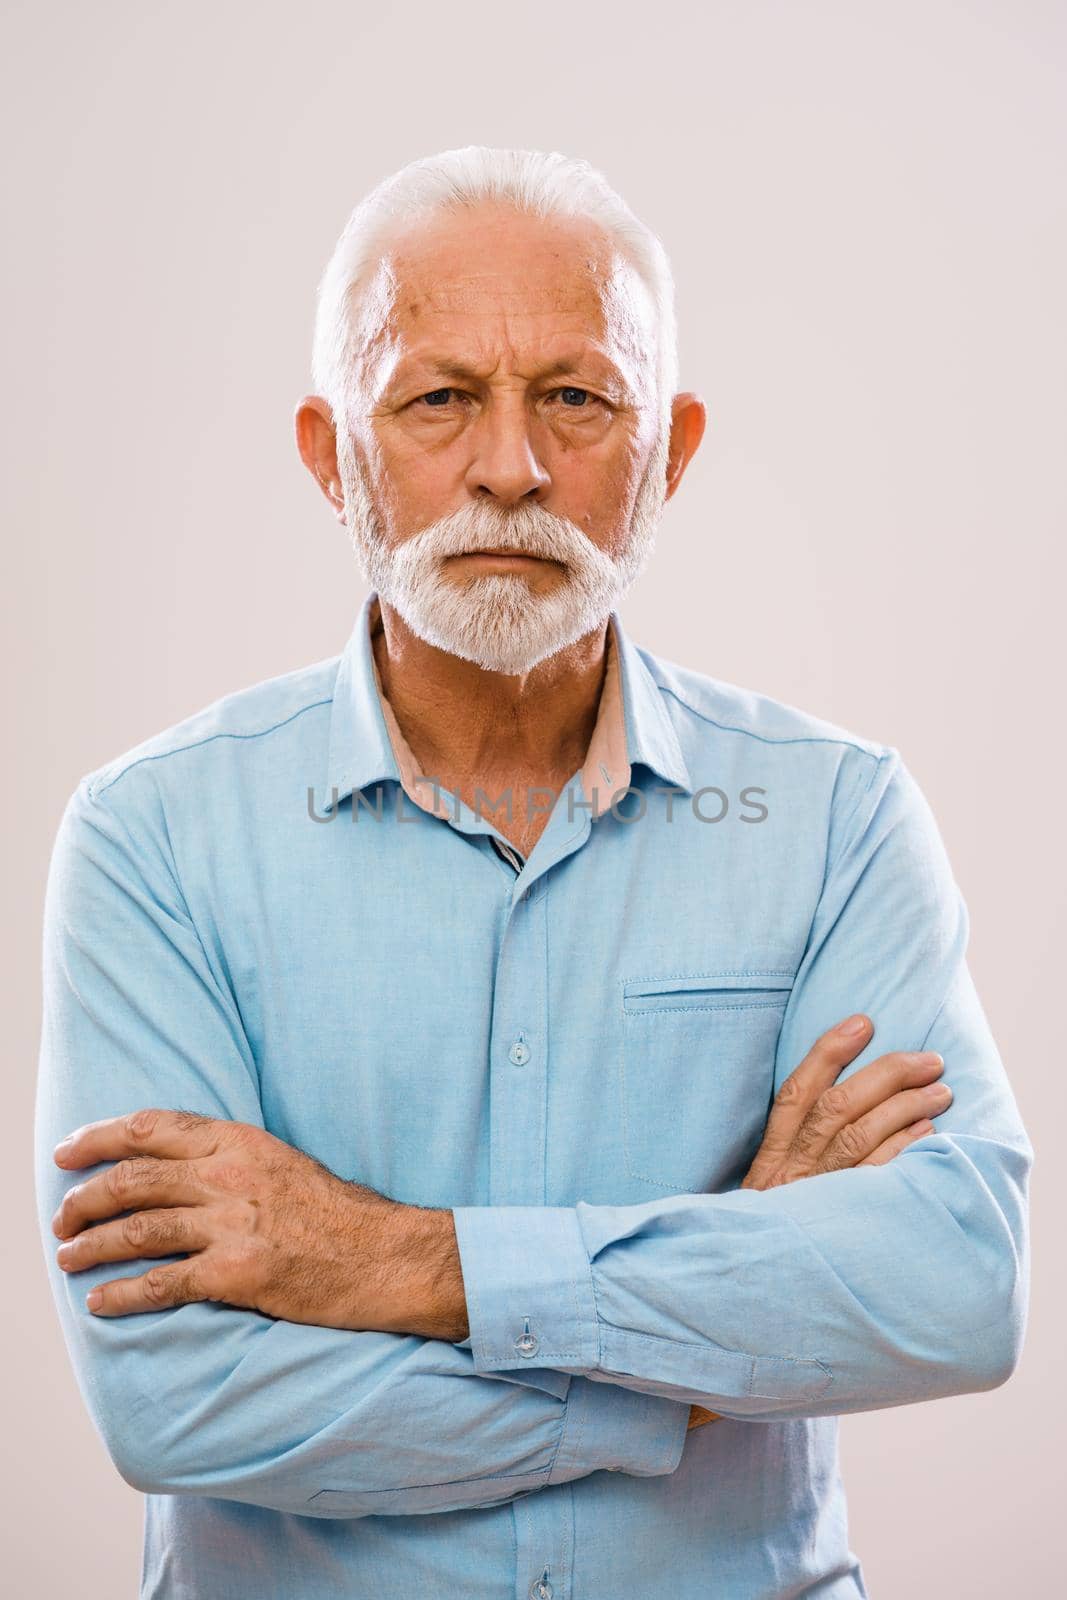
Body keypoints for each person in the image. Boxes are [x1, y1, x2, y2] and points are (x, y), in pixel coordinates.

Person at [35, 146, 1032, 1600]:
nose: (512, 466)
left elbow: (953, 1288)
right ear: (332, 457)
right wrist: (688, 1371)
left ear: (672, 451)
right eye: (438, 400)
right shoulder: (153, 839)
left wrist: (394, 1262)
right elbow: (177, 1401)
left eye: (577, 397)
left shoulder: (839, 818)